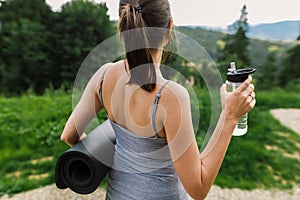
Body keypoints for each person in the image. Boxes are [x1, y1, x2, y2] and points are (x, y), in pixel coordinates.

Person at [60, 0, 256, 199]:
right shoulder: (170, 97)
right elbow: (198, 188)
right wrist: (229, 117)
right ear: (169, 28)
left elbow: (69, 135)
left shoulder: (103, 76)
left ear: (123, 24)